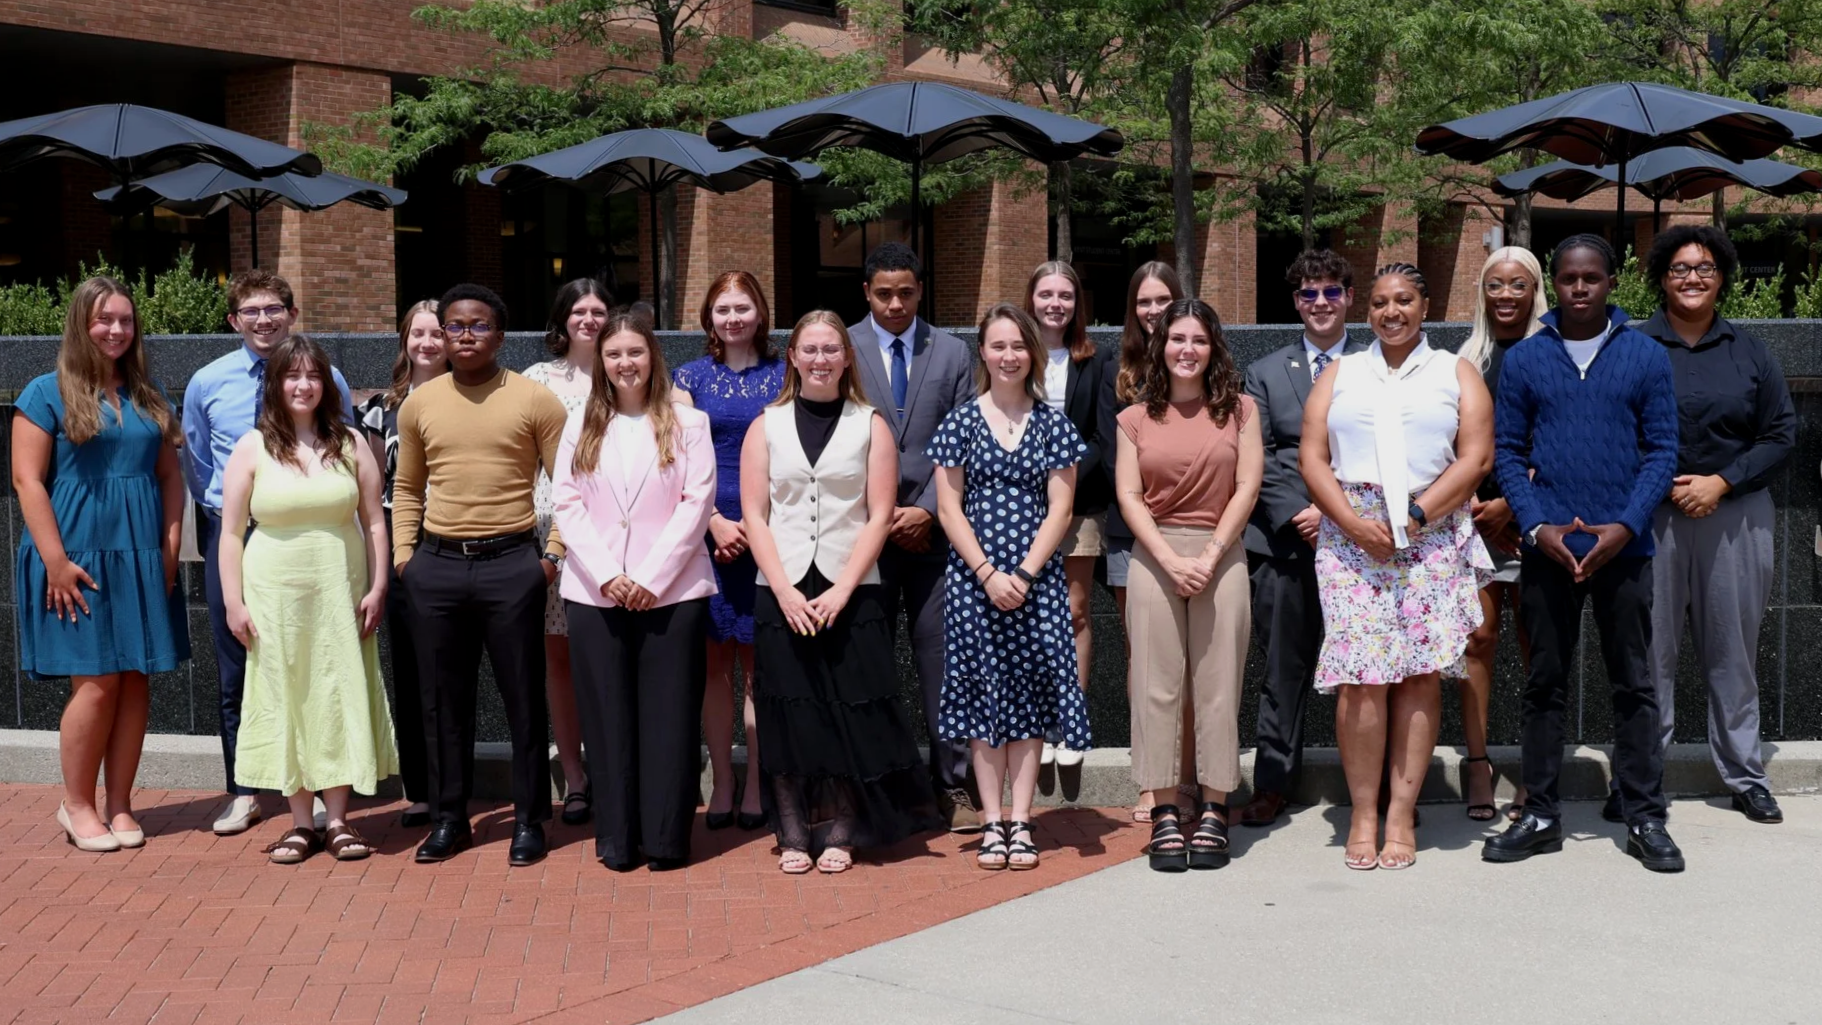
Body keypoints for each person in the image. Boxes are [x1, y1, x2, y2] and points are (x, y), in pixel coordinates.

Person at [1483, 234, 1683, 873]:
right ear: (1556, 285)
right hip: (1547, 549)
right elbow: (1508, 452)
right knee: (1544, 682)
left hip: (1624, 548)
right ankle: (1539, 812)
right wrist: (1537, 525)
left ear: (1608, 284)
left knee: (1634, 683)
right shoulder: (1526, 360)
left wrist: (1624, 526)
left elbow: (1662, 452)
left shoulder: (1646, 356)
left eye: (1590, 278)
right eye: (1568, 278)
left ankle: (1644, 814)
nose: (1578, 288)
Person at [1300, 263, 1494, 871]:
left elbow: (1476, 455)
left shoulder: (1454, 371)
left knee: (1417, 675)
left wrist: (1414, 514)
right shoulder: (1342, 371)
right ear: (1368, 311)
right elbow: (1311, 456)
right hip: (1350, 536)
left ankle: (1401, 813)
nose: (1391, 312)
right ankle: (1363, 811)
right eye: (1380, 302)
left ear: (1425, 305)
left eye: (1404, 300)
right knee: (1360, 676)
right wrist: (1356, 525)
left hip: (1429, 532)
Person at [741, 311, 943, 874]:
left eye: (831, 349)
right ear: (793, 357)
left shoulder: (871, 423)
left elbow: (880, 516)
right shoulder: (767, 424)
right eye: (810, 349)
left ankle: (842, 831)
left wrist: (843, 589)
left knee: (851, 711)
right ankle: (794, 831)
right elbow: (755, 516)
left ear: (846, 357)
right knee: (790, 710)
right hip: (782, 587)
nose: (821, 359)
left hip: (854, 587)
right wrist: (783, 591)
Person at [392, 283, 567, 867]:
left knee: (523, 700)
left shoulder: (536, 400)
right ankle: (449, 820)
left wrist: (551, 559)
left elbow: (568, 487)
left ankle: (528, 821)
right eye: (455, 326)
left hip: (512, 564)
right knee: (442, 701)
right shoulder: (419, 404)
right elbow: (408, 487)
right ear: (441, 333)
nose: (465, 335)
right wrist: (404, 560)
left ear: (500, 333)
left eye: (479, 325)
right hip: (435, 566)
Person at [14, 277, 190, 852]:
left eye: (125, 320)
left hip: (140, 554)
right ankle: (77, 804)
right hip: (75, 556)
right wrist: (56, 562)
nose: (116, 330)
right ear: (80, 324)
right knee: (96, 683)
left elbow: (170, 478)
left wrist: (168, 554)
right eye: (103, 319)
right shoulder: (44, 392)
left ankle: (121, 804)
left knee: (135, 678)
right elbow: (27, 481)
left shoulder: (148, 392)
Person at [1629, 225, 1793, 826]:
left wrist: (1719, 482)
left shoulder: (1749, 350)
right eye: (1679, 268)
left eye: (1704, 267)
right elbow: (1618, 427)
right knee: (1650, 655)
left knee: (1733, 651)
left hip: (1735, 515)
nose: (1692, 277)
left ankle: (1745, 775)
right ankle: (1642, 778)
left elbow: (1781, 434)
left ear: (1722, 276)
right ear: (1661, 277)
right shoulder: (1633, 345)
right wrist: (1665, 482)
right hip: (1651, 516)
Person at [183, 269, 354, 836]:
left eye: (273, 309)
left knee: (320, 666)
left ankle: (326, 787)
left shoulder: (327, 378)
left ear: (291, 314)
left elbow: (344, 447)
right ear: (234, 321)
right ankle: (245, 789)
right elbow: (200, 463)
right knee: (239, 666)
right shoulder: (208, 382)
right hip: (240, 534)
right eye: (251, 311)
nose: (263, 319)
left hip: (314, 543)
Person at [218, 335, 398, 865]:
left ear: (326, 384)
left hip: (340, 587)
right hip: (274, 592)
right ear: (275, 384)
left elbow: (373, 522)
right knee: (287, 692)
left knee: (337, 688)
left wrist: (379, 585)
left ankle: (338, 819)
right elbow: (230, 533)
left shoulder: (350, 441)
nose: (303, 385)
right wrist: (233, 601)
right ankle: (299, 823)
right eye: (291, 376)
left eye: (312, 376)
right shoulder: (253, 446)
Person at [553, 311, 717, 871]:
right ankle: (617, 840)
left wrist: (650, 577)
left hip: (672, 592)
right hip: (596, 591)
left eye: (636, 352)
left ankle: (667, 839)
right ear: (601, 361)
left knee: (669, 717)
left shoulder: (687, 422)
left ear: (653, 357)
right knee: (607, 717)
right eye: (615, 354)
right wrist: (607, 573)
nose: (626, 363)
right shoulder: (581, 423)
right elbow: (567, 502)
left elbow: (698, 503)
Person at [929, 304, 1088, 870]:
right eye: (998, 346)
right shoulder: (960, 422)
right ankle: (990, 821)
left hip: (1036, 583)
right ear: (983, 353)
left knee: (1029, 698)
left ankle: (1022, 822)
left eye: (1018, 346)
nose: (1009, 356)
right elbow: (948, 507)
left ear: (1033, 354)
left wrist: (1021, 575)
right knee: (983, 701)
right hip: (976, 584)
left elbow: (1061, 508)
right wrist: (987, 574)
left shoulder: (1053, 423)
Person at [1116, 299, 1262, 873]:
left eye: (1198, 340)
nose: (1186, 349)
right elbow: (1128, 496)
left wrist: (1208, 553)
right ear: (1160, 344)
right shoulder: (1134, 417)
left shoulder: (1241, 411)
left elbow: (1247, 486)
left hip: (1221, 553)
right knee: (1154, 687)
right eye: (1177, 338)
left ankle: (1215, 809)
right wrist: (1169, 560)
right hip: (1154, 556)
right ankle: (1163, 813)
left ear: (1213, 347)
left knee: (1217, 685)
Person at [846, 242, 982, 832]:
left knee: (941, 661)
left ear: (920, 290)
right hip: (863, 533)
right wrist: (882, 512)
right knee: (868, 662)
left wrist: (925, 508)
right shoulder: (840, 347)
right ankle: (882, 787)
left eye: (905, 292)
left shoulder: (952, 352)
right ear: (866, 293)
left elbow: (964, 438)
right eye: (883, 293)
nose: (895, 303)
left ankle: (953, 783)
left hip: (936, 534)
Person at [1236, 250, 1367, 828]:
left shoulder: (1374, 366)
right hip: (1286, 547)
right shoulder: (1264, 372)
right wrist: (1303, 514)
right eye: (1309, 293)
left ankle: (1369, 783)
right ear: (1295, 303)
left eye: (1331, 292)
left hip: (1363, 544)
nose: (1320, 303)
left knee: (1366, 670)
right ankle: (1272, 783)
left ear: (1349, 299)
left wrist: (1337, 515)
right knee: (1282, 670)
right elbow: (1259, 456)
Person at [673, 271, 784, 832]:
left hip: (774, 532)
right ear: (708, 317)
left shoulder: (786, 372)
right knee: (714, 667)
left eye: (743, 307)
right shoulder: (688, 378)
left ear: (760, 312)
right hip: (706, 536)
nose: (734, 318)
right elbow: (676, 462)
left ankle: (760, 779)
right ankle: (722, 778)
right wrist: (714, 521)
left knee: (759, 671)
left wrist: (756, 525)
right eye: (723, 309)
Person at [1096, 260, 1191, 822]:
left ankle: (1188, 775)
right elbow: (1112, 455)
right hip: (1131, 530)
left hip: (1196, 531)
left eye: (1163, 301)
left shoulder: (1202, 359)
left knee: (1192, 661)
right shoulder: (1118, 368)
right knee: (1143, 659)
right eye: (1144, 303)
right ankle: (1150, 779)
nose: (1153, 312)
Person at [1456, 247, 1547, 822]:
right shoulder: (1462, 359)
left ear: (1535, 290)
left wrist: (1511, 506)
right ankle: (1477, 764)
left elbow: (1564, 439)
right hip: (1472, 523)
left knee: (1537, 647)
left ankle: (1536, 770)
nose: (1507, 294)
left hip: (1536, 522)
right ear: (1483, 293)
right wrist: (1474, 506)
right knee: (1478, 641)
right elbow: (1447, 445)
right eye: (1496, 284)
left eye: (1518, 284)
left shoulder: (1554, 353)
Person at [522, 278, 614, 827]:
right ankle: (575, 775)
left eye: (598, 310)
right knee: (557, 655)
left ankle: (612, 766)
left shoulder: (628, 365)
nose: (589, 319)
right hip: (548, 526)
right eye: (578, 310)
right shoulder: (538, 379)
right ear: (562, 318)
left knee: (603, 655)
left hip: (614, 529)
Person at [357, 299, 446, 828]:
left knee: (453, 672)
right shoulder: (378, 409)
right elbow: (370, 496)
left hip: (460, 540)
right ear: (404, 339)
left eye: (438, 333)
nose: (428, 343)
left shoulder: (470, 396)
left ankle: (454, 782)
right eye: (419, 333)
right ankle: (422, 788)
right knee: (410, 670)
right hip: (402, 544)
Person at [1025, 261, 1105, 769]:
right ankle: (1033, 718)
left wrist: (1064, 475)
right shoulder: (1009, 352)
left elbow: (1102, 434)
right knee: (1026, 615)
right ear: (1030, 298)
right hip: (1016, 506)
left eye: (1066, 295)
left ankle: (1070, 721)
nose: (1056, 303)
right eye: (1046, 293)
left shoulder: (1094, 360)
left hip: (1078, 504)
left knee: (1073, 613)